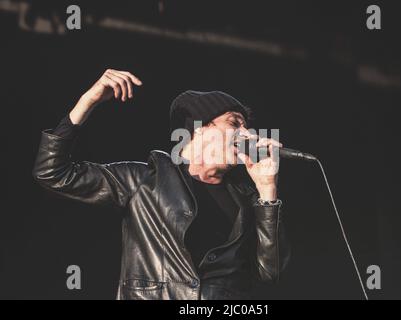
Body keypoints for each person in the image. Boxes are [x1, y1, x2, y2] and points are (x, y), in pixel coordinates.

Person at [32, 69, 291, 300]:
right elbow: (52, 173)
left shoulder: (247, 199)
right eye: (235, 123)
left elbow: (271, 271)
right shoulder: (146, 180)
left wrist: (267, 190)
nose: (247, 134)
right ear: (200, 129)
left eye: (248, 128)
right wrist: (87, 101)